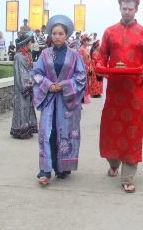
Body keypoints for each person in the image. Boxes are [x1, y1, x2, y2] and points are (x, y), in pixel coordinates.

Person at [96, 0, 143, 193]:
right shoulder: (109, 32)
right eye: (124, 8)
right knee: (110, 129)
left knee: (132, 132)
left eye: (131, 8)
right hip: (113, 91)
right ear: (120, 8)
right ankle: (113, 163)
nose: (127, 12)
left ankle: (128, 176)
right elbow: (101, 57)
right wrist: (99, 67)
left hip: (134, 92)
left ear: (136, 10)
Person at [32, 15, 87, 185]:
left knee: (65, 134)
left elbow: (81, 77)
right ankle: (45, 170)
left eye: (60, 33)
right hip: (50, 100)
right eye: (54, 33)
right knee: (48, 133)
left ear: (66, 35)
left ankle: (63, 167)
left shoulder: (74, 55)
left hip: (67, 103)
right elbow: (35, 74)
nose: (57, 36)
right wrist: (48, 84)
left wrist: (63, 85)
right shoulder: (44, 54)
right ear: (50, 35)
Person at [10, 32, 38, 139]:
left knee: (28, 107)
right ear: (26, 43)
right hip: (22, 85)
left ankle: (28, 128)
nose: (31, 44)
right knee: (21, 106)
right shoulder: (18, 56)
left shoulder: (28, 55)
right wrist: (28, 83)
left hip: (28, 83)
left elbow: (30, 70)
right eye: (30, 42)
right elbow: (20, 73)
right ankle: (21, 130)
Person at [78, 34, 92, 104]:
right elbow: (80, 60)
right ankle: (82, 98)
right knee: (83, 84)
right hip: (83, 69)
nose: (88, 42)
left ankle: (85, 97)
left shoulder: (86, 49)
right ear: (83, 42)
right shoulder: (81, 49)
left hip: (88, 68)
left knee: (87, 83)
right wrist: (85, 67)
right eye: (87, 41)